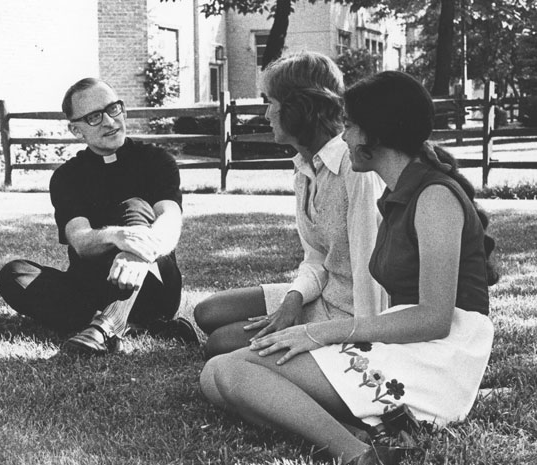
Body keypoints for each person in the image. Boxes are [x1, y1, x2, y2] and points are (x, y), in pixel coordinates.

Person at [199, 70, 498, 465]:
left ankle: (359, 455)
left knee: (231, 371)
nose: (343, 137)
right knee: (214, 379)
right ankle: (365, 430)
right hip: (406, 342)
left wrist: (321, 333)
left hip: (439, 357)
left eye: (351, 126)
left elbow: (435, 320)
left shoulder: (435, 198)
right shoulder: (400, 191)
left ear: (376, 134)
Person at [194, 51, 386, 358]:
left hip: (352, 315)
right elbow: (317, 257)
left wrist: (358, 343)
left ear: (300, 108)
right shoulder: (304, 167)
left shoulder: (355, 168)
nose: (266, 115)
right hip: (322, 295)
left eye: (270, 102)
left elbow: (371, 272)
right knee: (207, 312)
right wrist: (293, 299)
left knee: (220, 344)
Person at [0, 77, 197, 355]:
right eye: (94, 117)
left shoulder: (156, 161)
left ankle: (111, 322)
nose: (109, 121)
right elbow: (79, 240)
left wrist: (135, 253)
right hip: (91, 287)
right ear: (76, 130)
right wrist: (117, 236)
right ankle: (141, 325)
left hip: (154, 283)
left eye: (113, 108)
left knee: (135, 206)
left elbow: (170, 222)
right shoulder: (67, 177)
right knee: (14, 274)